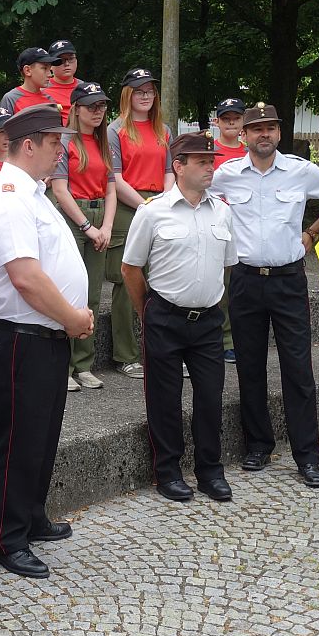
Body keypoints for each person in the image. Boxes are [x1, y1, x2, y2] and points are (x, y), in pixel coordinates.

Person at [0, 103, 91, 580]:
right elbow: (24, 277)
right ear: (28, 145)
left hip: (44, 335)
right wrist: (71, 318)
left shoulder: (34, 193)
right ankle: (6, 536)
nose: (61, 150)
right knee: (18, 440)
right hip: (21, 336)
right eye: (53, 142)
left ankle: (31, 515)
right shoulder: (8, 195)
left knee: (41, 437)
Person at [210, 102, 319, 489]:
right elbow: (192, 192)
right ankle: (258, 445)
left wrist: (313, 234)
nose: (265, 135)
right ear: (244, 135)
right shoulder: (226, 175)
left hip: (289, 281)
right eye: (257, 129)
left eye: (271, 128)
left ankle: (307, 457)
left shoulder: (299, 170)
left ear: (278, 133)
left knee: (298, 369)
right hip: (244, 279)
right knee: (250, 367)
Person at [121, 133, 236, 502]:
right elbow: (130, 268)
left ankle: (209, 470)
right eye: (201, 162)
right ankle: (168, 471)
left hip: (206, 321)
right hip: (165, 317)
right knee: (164, 399)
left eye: (211, 160)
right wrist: (148, 312)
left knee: (209, 398)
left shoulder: (222, 210)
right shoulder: (152, 212)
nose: (210, 167)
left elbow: (228, 265)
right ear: (179, 166)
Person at [105, 67, 174, 380]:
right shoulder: (115, 129)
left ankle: (163, 351)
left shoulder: (164, 129)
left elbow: (171, 171)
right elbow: (115, 178)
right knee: (125, 281)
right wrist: (147, 205)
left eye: (150, 90)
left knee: (163, 277)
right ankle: (126, 354)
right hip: (129, 206)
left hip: (161, 202)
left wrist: (167, 202)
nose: (145, 95)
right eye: (139, 90)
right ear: (127, 94)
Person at [50, 83, 116, 392]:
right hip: (71, 215)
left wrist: (106, 226)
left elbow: (111, 187)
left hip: (99, 213)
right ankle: (61, 365)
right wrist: (87, 227)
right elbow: (60, 189)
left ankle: (84, 364)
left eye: (102, 106)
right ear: (75, 108)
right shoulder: (63, 142)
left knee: (91, 295)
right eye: (91, 106)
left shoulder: (104, 143)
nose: (98, 111)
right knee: (67, 293)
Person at [210, 97, 247, 364]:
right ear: (217, 122)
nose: (231, 122)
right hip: (218, 225)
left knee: (241, 286)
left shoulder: (251, 152)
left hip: (246, 226)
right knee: (221, 287)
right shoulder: (209, 151)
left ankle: (239, 338)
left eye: (236, 117)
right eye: (226, 118)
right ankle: (224, 340)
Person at [0, 47, 59, 114]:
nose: (50, 74)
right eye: (44, 68)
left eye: (50, 69)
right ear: (27, 70)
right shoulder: (11, 99)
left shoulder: (50, 100)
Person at [45, 39, 83, 125]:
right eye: (60, 60)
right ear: (50, 65)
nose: (66, 64)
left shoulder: (85, 89)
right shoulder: (41, 89)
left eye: (71, 59)